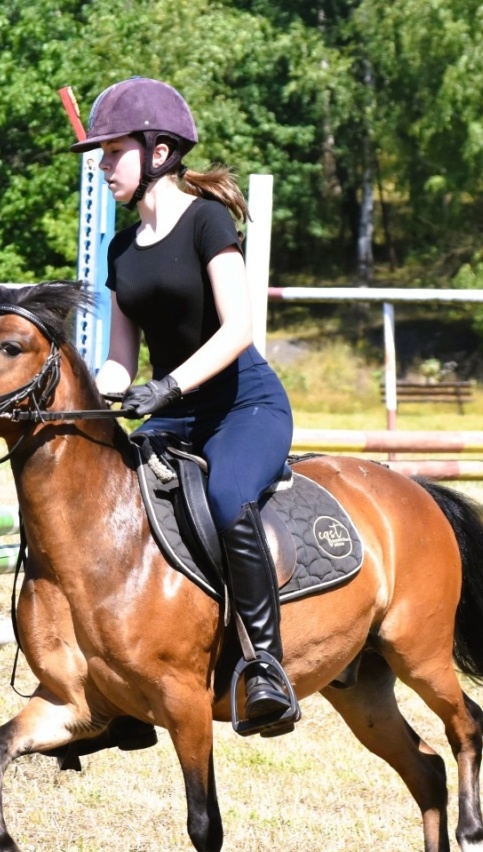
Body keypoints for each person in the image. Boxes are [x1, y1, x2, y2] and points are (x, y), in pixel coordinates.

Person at [70, 77, 298, 737]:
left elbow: (238, 330)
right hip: (175, 412)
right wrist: (88, 394)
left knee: (227, 500)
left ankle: (267, 668)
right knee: (114, 498)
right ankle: (124, 678)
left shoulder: (206, 222)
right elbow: (119, 361)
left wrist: (167, 387)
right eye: (103, 155)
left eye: (115, 152)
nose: (105, 166)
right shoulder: (119, 249)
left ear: (161, 151)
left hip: (242, 405)